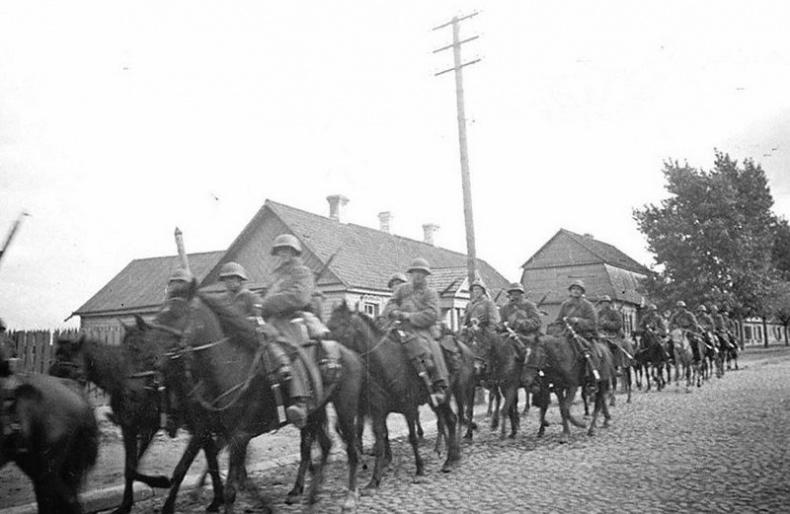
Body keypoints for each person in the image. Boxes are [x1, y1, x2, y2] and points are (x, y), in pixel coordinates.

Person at [258, 234, 321, 429]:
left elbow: (300, 297)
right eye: (280, 251)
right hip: (272, 321)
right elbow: (265, 296)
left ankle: (300, 400)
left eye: (287, 250)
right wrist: (259, 302)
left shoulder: (302, 272)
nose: (283, 254)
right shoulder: (275, 275)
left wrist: (268, 303)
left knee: (292, 350)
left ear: (294, 252)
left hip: (294, 319)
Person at [384, 257, 449, 404]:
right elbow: (391, 303)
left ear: (426, 275)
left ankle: (438, 383)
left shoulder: (430, 293)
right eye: (415, 272)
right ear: (411, 274)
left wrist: (409, 316)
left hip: (422, 329)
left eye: (421, 273)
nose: (417, 276)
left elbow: (432, 314)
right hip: (400, 327)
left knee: (426, 347)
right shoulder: (402, 289)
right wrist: (394, 311)